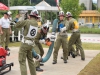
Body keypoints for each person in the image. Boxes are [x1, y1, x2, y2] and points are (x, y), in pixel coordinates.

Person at [14, 9, 39, 75]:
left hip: (25, 44)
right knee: (31, 61)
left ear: (30, 16)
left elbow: (17, 25)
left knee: (22, 61)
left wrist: (22, 17)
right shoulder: (36, 23)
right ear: (36, 17)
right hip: (31, 45)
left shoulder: (27, 21)